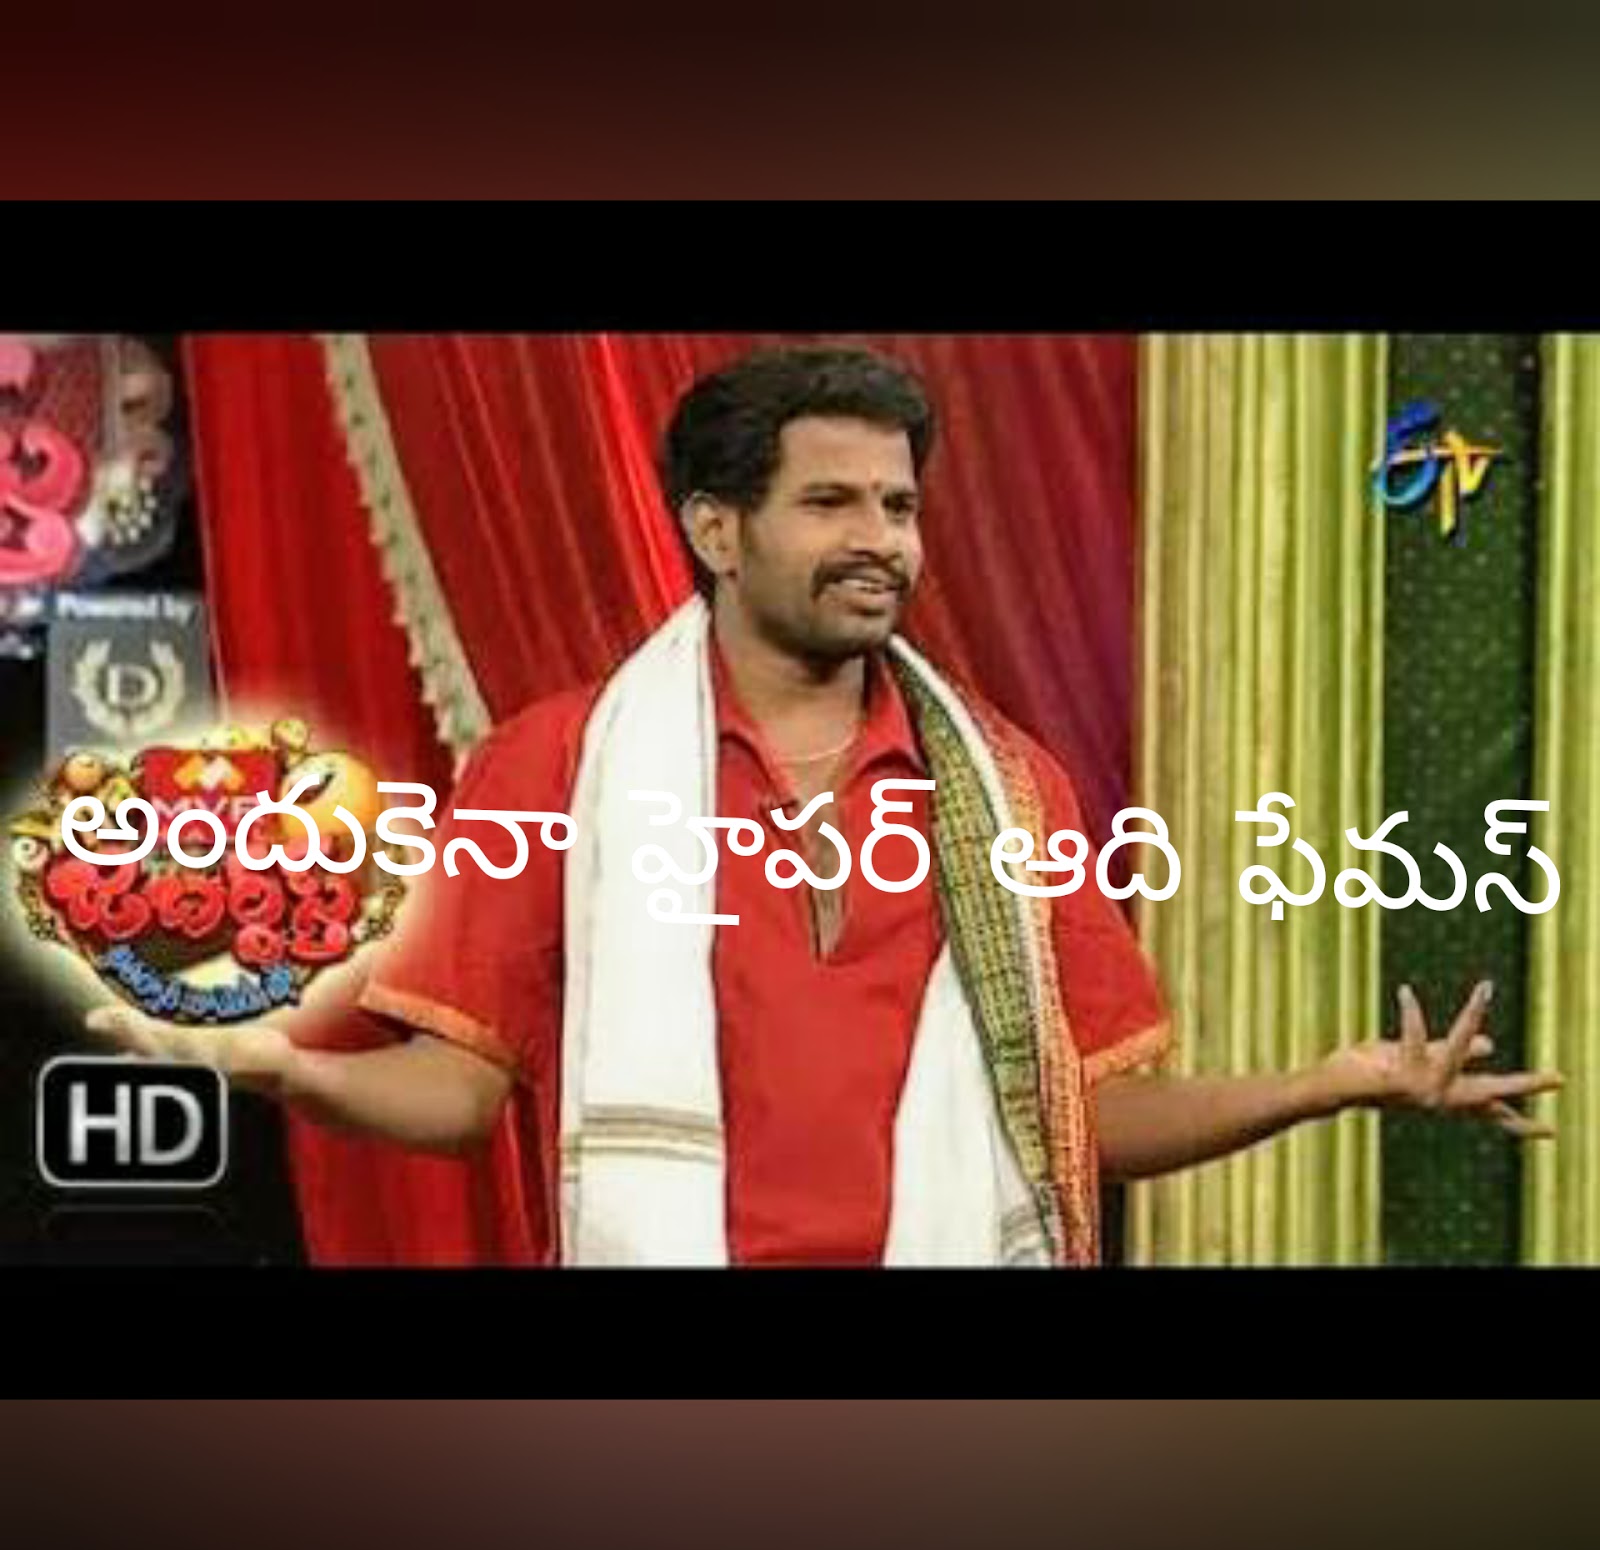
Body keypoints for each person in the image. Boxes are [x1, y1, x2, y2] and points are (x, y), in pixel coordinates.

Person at [87, 345, 1562, 1266]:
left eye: (899, 506)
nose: (883, 542)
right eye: (833, 503)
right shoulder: (558, 767)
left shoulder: (1007, 789)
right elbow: (462, 1094)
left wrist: (1328, 1084)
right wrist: (295, 1074)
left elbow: (1089, 1118)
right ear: (716, 529)